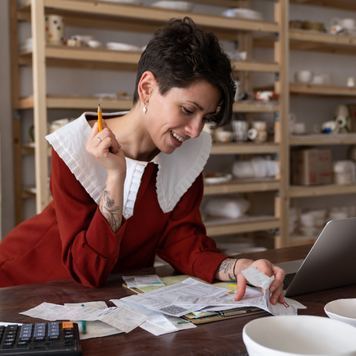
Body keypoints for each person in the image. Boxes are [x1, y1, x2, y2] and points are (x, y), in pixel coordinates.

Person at [0, 17, 285, 305]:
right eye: (188, 109)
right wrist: (115, 177)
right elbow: (88, 269)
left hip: (109, 296)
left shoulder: (185, 152)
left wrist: (239, 267)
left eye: (206, 118)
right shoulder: (73, 147)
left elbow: (183, 243)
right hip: (26, 284)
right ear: (147, 88)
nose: (196, 130)